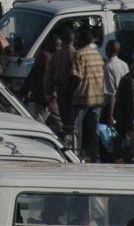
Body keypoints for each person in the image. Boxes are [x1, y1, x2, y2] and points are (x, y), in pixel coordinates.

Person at [71, 29, 105, 162]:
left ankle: (75, 156)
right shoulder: (98, 55)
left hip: (82, 97)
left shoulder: (78, 55)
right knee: (93, 130)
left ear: (81, 40)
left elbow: (76, 77)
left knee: (75, 129)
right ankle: (95, 157)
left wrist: (69, 90)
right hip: (97, 98)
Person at [46, 27, 77, 143]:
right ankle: (72, 149)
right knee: (72, 125)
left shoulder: (57, 55)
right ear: (73, 39)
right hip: (72, 93)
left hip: (61, 91)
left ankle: (67, 145)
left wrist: (49, 92)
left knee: (64, 122)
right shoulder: (75, 54)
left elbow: (48, 75)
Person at [104, 40, 129, 127]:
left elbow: (111, 93)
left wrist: (110, 115)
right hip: (125, 103)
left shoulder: (108, 66)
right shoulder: (124, 64)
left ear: (107, 50)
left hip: (113, 106)